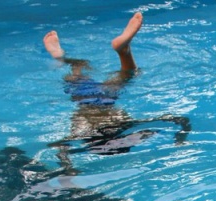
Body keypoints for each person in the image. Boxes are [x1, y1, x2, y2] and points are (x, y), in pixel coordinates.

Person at [43, 12, 189, 170]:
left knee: (128, 75)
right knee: (78, 70)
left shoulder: (126, 125)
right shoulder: (84, 133)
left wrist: (180, 139)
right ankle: (61, 57)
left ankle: (123, 51)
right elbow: (59, 146)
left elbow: (179, 119)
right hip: (87, 99)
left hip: (107, 98)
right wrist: (67, 167)